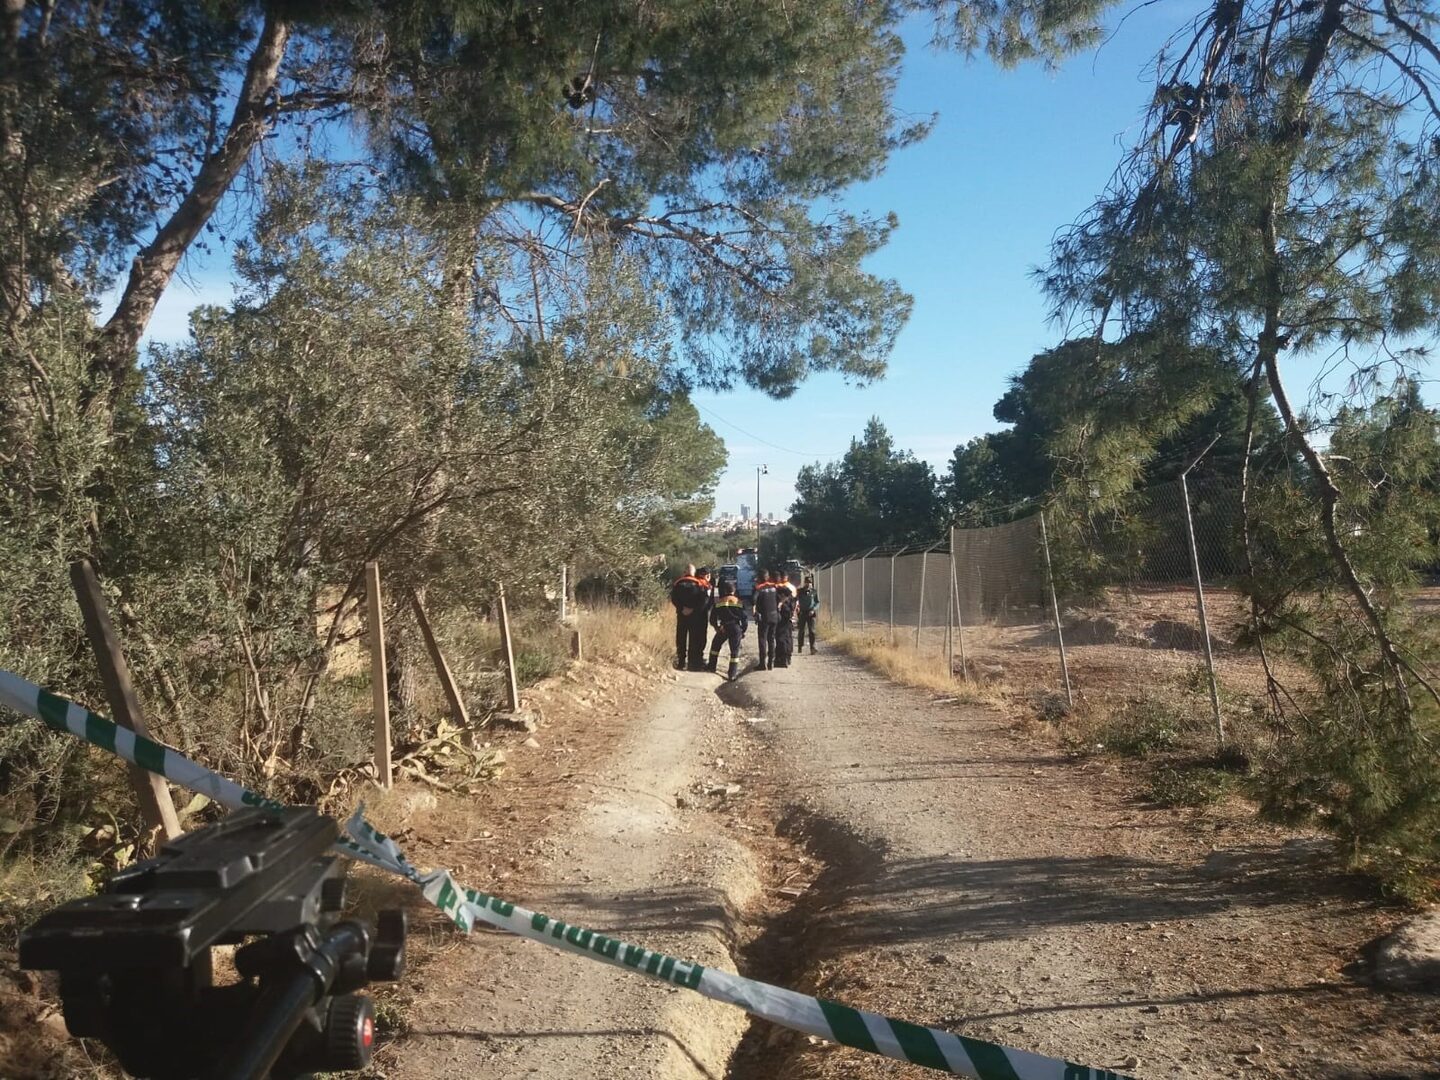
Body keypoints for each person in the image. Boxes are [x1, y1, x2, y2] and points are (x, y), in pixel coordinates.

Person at [669, 563, 711, 671]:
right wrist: (693, 609)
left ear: (684, 572)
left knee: (681, 638)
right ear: (694, 572)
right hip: (695, 616)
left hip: (682, 615)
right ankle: (693, 664)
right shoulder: (699, 584)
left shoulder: (678, 583)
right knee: (694, 639)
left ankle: (681, 662)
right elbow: (704, 600)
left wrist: (682, 608)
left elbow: (673, 598)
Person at [706, 580, 747, 680]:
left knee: (715, 646)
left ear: (725, 590)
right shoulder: (739, 602)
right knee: (734, 652)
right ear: (734, 590)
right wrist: (742, 631)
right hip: (735, 628)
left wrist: (716, 627)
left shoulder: (719, 602)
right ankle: (732, 674)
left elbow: (712, 618)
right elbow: (744, 619)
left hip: (723, 627)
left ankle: (711, 667)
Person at [751, 570, 780, 670]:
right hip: (774, 616)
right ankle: (771, 662)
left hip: (764, 618)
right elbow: (781, 597)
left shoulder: (759, 588)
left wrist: (754, 610)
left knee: (762, 640)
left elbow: (753, 600)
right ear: (768, 577)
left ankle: (762, 664)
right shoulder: (774, 587)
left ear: (759, 578)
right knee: (771, 639)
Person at [774, 575, 796, 667]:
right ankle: (788, 657)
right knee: (788, 638)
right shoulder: (789, 594)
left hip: (783, 618)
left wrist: (780, 604)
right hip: (789, 618)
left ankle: (783, 660)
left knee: (781, 638)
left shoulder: (778, 592)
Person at [796, 576, 820, 654]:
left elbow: (817, 602)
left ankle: (812, 647)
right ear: (804, 583)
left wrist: (813, 609)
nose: (809, 584)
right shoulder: (800, 591)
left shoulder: (814, 591)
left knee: (812, 631)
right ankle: (800, 646)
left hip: (811, 613)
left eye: (810, 583)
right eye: (807, 582)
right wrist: (797, 607)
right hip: (802, 612)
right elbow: (796, 600)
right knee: (801, 630)